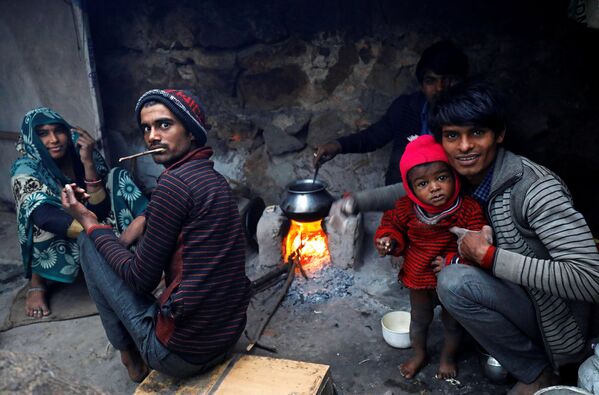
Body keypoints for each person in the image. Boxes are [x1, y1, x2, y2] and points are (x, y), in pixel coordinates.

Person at [341, 81, 599, 394]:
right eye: (452, 136)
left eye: (477, 133)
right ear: (442, 141)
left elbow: (590, 278)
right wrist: (355, 201)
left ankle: (544, 371)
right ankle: (534, 369)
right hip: (514, 296)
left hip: (553, 317)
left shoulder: (535, 189)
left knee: (453, 280)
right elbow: (409, 191)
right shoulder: (460, 174)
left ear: (499, 134)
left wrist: (489, 257)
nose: (464, 146)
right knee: (451, 280)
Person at [61, 89, 251, 382]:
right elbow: (187, 211)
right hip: (228, 337)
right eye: (146, 128)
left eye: (164, 125)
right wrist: (144, 217)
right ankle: (131, 349)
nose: (152, 136)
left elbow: (140, 280)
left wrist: (89, 221)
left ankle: (130, 356)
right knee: (109, 244)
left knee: (89, 240)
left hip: (182, 355)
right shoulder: (213, 178)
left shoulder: (173, 186)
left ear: (191, 132)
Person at [10, 108, 148, 318]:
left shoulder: (80, 151)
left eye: (59, 131)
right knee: (34, 208)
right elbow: (45, 217)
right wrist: (103, 236)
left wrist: (88, 162)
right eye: (43, 133)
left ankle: (146, 220)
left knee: (116, 175)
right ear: (32, 138)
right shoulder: (25, 168)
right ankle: (37, 281)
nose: (54, 139)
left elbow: (100, 208)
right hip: (60, 231)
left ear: (69, 131)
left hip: (91, 221)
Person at [374, 135, 487, 379]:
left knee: (453, 324)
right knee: (419, 321)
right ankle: (419, 355)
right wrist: (388, 240)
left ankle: (447, 358)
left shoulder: (468, 209)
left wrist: (454, 262)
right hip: (418, 277)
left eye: (441, 178)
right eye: (422, 184)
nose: (434, 187)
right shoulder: (407, 207)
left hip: (453, 280)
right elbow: (391, 223)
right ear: (411, 189)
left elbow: (479, 246)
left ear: (454, 176)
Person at [313, 40, 468, 185]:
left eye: (448, 80)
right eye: (430, 81)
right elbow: (374, 136)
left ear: (462, 82)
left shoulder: (472, 119)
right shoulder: (407, 107)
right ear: (421, 85)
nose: (440, 88)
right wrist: (337, 145)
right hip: (402, 197)